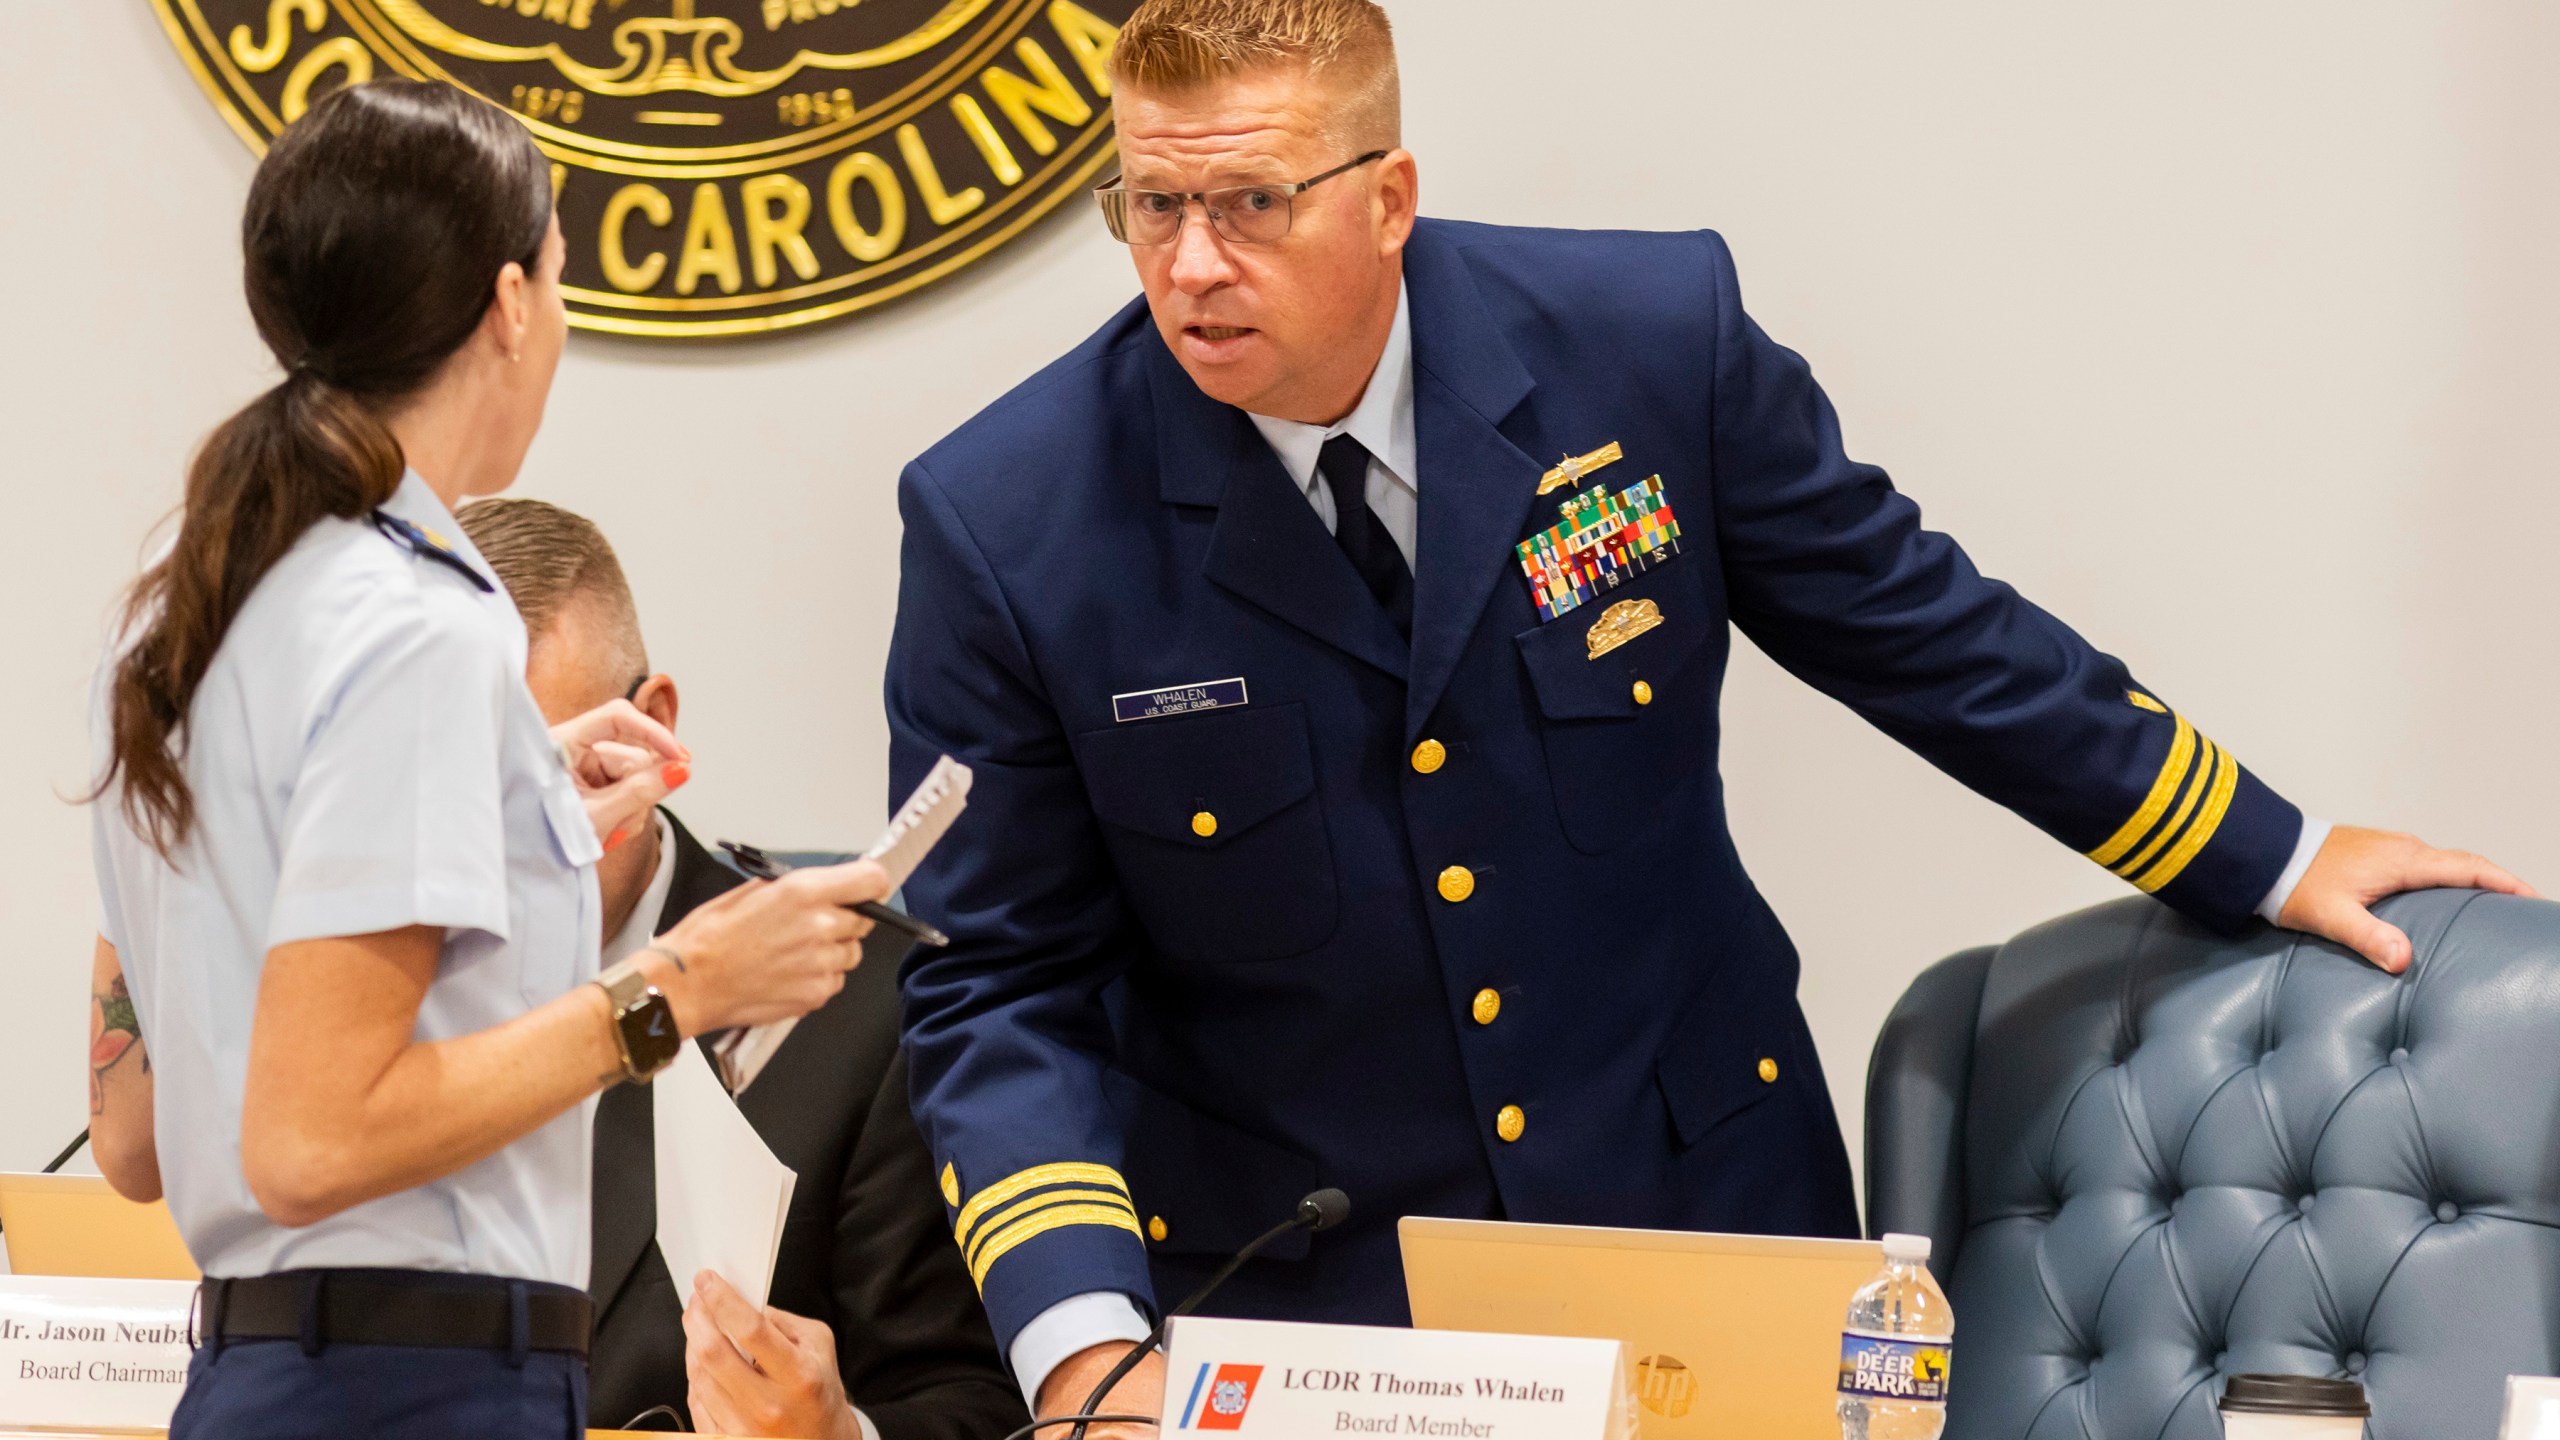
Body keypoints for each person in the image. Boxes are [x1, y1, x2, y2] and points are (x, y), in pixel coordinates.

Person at [880, 0, 2535, 1431]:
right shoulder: (1010, 522)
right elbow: (1001, 983)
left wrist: (2270, 849)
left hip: (1698, 1225)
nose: (1189, 264)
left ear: (1387, 199)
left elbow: (1931, 637)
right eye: (1151, 203)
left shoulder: (1642, 350)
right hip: (1319, 1305)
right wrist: (1086, 1351)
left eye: (1249, 201)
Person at [82, 80, 888, 1440]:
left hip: (268, 1373)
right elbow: (316, 1138)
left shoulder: (203, 600)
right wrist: (675, 989)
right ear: (511, 302)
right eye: (563, 282)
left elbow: (150, 1128)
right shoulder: (420, 626)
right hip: (419, 1387)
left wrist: (512, 787)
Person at [455, 496, 1026, 1440]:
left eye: (529, 783)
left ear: (648, 733)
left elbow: (975, 1404)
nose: (484, 846)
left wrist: (837, 1432)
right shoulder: (378, 993)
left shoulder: (859, 1010)